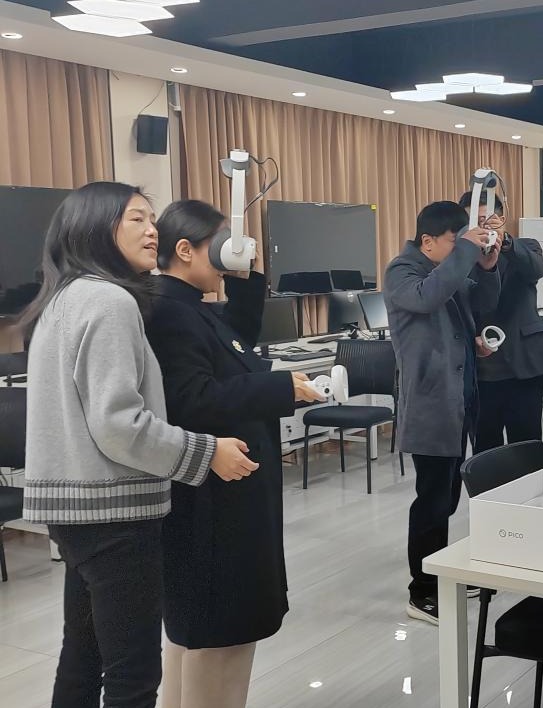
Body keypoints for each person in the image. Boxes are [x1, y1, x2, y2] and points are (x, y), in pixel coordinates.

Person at [19, 182, 257, 708]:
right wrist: (206, 453)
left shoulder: (63, 297)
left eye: (152, 219)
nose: (152, 231)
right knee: (133, 675)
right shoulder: (109, 301)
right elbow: (120, 425)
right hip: (113, 513)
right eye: (136, 219)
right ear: (95, 227)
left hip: (73, 511)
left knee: (82, 660)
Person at [144, 200, 324, 708]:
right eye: (220, 243)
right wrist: (281, 387)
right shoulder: (170, 312)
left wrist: (244, 273)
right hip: (211, 502)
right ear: (185, 250)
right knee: (219, 635)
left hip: (226, 496)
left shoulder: (189, 306)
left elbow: (235, 341)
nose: (229, 252)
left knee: (200, 636)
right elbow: (191, 398)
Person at [384, 201, 500, 624]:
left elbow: (483, 302)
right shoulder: (402, 272)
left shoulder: (445, 268)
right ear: (427, 240)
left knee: (448, 496)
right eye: (455, 241)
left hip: (459, 398)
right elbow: (428, 298)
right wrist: (467, 251)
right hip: (430, 402)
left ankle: (441, 571)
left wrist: (487, 264)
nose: (460, 249)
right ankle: (422, 590)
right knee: (431, 500)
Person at [457, 191, 543, 452]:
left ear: (500, 219)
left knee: (527, 446)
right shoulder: (460, 257)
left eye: (486, 219)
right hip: (482, 370)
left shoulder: (525, 246)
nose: (481, 227)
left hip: (524, 364)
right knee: (485, 448)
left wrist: (506, 242)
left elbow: (537, 269)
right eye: (473, 221)